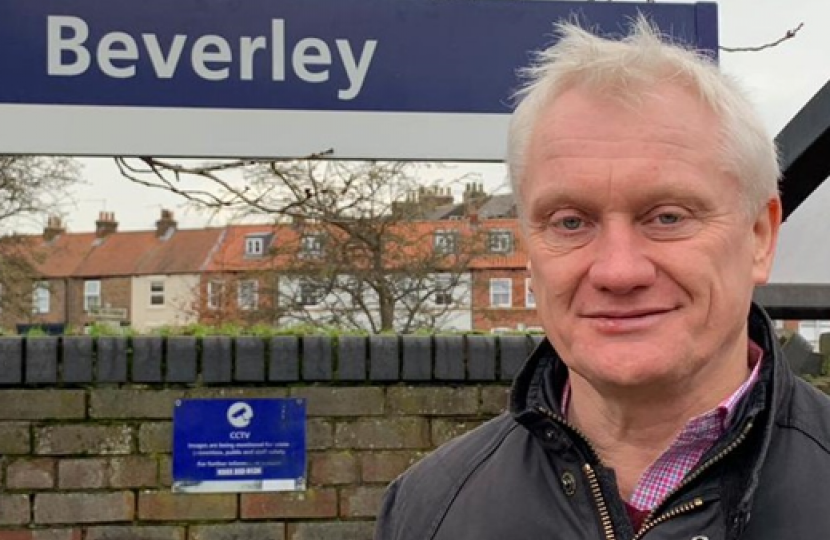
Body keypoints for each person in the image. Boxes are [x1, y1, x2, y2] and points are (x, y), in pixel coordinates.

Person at [375, 17, 830, 540]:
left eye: (667, 217)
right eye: (571, 222)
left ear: (759, 236)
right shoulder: (429, 508)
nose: (618, 270)